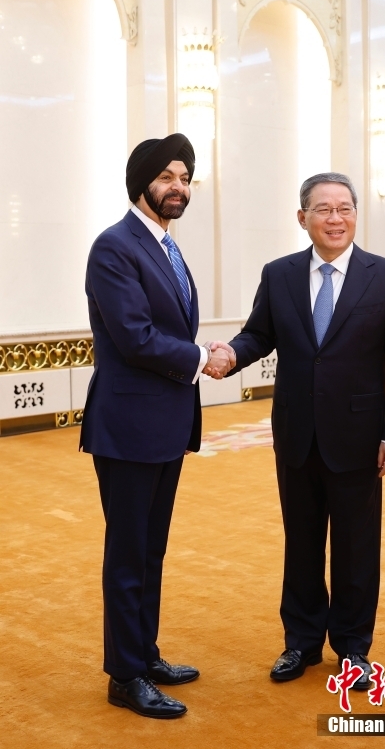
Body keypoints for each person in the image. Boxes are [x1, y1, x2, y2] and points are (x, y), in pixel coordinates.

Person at [210, 172, 385, 687]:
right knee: (301, 543)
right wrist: (231, 353)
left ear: (356, 216)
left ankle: (352, 649)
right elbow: (259, 333)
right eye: (323, 209)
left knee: (356, 547)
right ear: (302, 217)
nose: (335, 218)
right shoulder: (279, 274)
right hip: (296, 435)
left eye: (344, 208)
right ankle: (300, 643)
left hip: (360, 439)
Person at [80, 134, 235, 719]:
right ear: (141, 182)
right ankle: (125, 676)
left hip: (164, 425)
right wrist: (201, 358)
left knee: (151, 549)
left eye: (185, 178)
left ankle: (143, 654)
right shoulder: (114, 247)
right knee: (128, 555)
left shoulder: (166, 247)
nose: (179, 187)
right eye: (167, 176)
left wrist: (199, 356)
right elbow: (135, 337)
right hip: (127, 427)